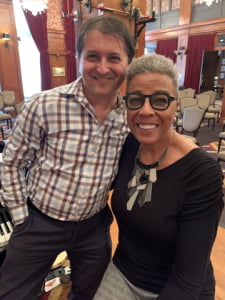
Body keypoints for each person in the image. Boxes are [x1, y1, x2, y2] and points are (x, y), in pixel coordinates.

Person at [0, 16, 135, 300]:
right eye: (92, 56)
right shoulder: (45, 104)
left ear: (128, 62)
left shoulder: (130, 117)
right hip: (39, 221)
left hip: (93, 225)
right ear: (78, 57)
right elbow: (10, 162)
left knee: (90, 294)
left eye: (114, 57)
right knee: (13, 293)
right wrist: (21, 217)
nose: (102, 67)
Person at [94, 54, 224, 300]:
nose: (145, 111)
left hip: (179, 287)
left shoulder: (202, 173)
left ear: (176, 106)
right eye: (135, 100)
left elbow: (187, 280)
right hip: (124, 272)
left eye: (160, 101)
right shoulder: (129, 146)